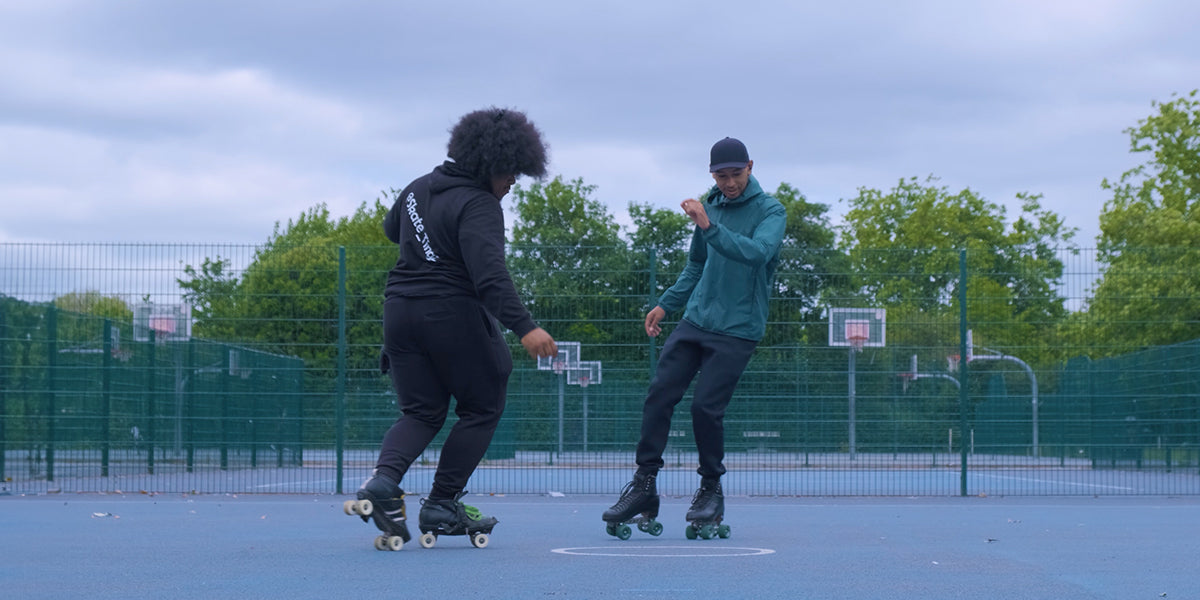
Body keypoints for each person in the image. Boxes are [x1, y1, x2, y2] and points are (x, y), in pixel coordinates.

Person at [354, 107, 558, 547]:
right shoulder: (479, 203)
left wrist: (428, 233)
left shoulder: (415, 189)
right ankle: (442, 502)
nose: (511, 184)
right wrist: (525, 327)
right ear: (489, 164)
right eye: (510, 174)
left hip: (399, 313)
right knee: (483, 404)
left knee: (422, 412)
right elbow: (489, 275)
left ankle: (383, 484)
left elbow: (393, 230)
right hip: (449, 312)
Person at [603, 137, 786, 537]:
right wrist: (666, 304)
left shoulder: (770, 211)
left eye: (735, 174)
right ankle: (644, 487)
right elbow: (696, 265)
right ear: (712, 175)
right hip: (696, 320)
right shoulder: (713, 202)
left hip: (738, 328)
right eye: (721, 176)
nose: (729, 183)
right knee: (659, 394)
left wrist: (709, 225)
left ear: (750, 167)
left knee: (705, 408)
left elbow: (757, 252)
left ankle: (710, 490)